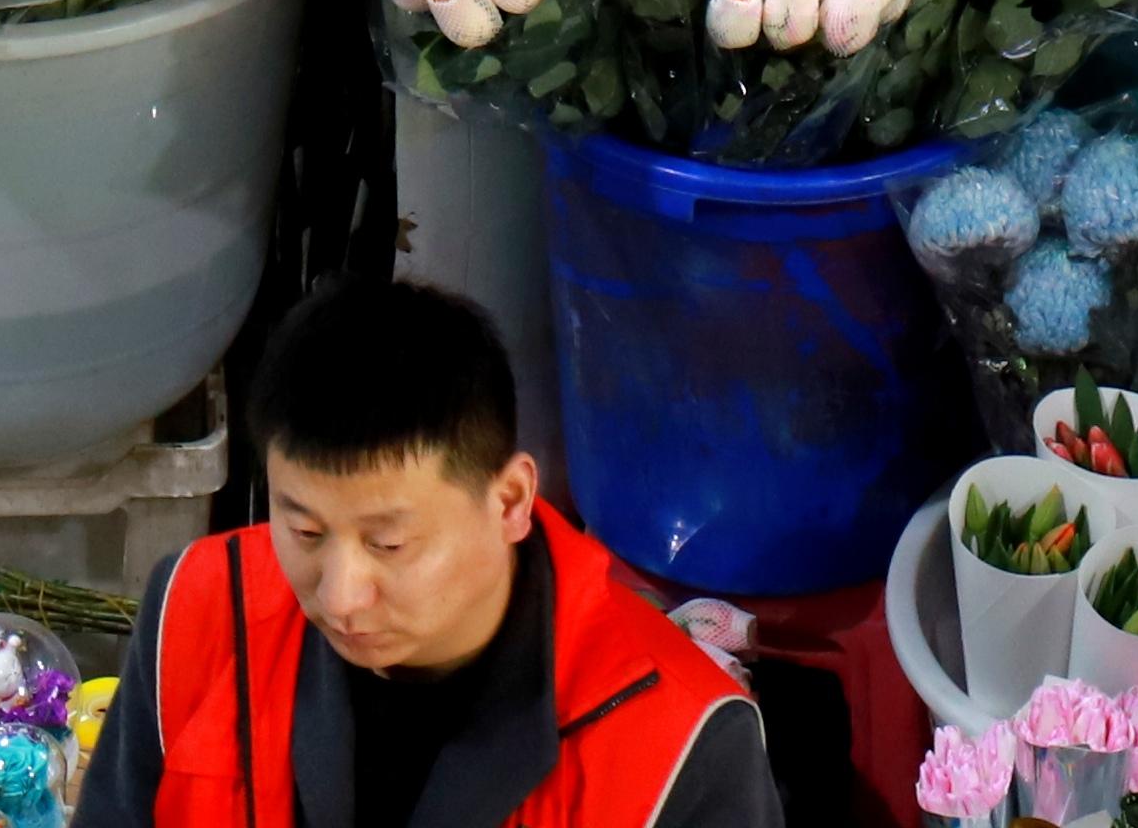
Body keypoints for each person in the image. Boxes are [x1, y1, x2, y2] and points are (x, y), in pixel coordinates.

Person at [73, 277, 772, 828]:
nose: (340, 596)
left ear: (510, 501)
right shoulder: (197, 609)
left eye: (389, 543)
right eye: (305, 531)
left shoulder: (681, 740)